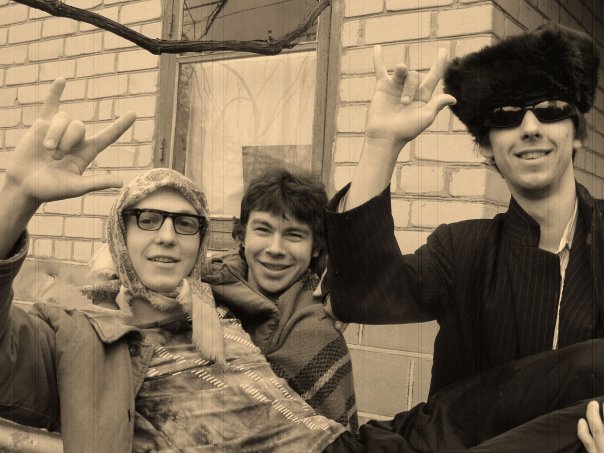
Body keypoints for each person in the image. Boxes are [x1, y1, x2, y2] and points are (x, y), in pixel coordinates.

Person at [0, 78, 353, 452]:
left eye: (185, 223)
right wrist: (17, 195)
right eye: (148, 219)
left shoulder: (222, 309)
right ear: (120, 235)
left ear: (200, 244)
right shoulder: (75, 336)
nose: (167, 236)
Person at [322, 23, 604, 450]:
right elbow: (362, 296)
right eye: (506, 115)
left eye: (549, 109)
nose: (530, 127)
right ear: (487, 146)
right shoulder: (462, 249)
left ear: (577, 132)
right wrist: (382, 143)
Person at [201, 168, 358, 432]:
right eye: (263, 230)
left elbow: (333, 440)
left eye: (294, 235)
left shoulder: (317, 331)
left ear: (316, 246)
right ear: (242, 235)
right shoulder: (202, 291)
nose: (275, 249)